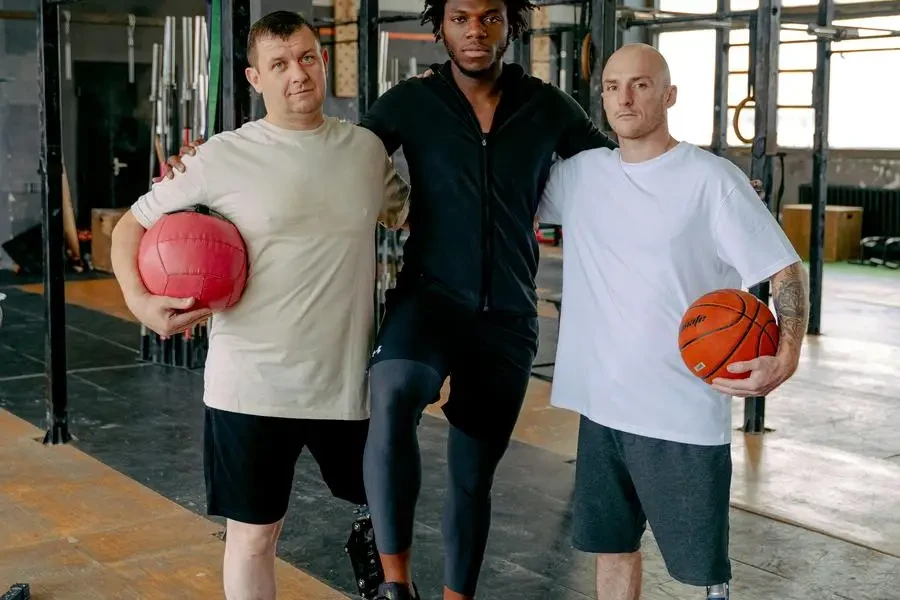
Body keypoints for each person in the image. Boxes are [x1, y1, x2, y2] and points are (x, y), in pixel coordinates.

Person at [164, 0, 618, 597]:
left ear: (511, 25)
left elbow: (619, 167)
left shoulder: (547, 106)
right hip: (427, 301)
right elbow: (329, 156)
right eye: (460, 18)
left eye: (489, 17)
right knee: (393, 388)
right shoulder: (411, 101)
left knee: (472, 478)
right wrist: (197, 171)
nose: (475, 31)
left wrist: (690, 170)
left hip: (506, 312)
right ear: (441, 28)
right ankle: (396, 586)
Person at [110, 11, 409, 600]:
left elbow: (411, 216)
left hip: (345, 386)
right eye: (279, 64)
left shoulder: (367, 152)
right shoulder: (219, 157)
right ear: (254, 77)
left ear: (321, 59)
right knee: (253, 538)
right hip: (249, 385)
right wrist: (141, 302)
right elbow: (129, 227)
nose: (297, 74)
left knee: (389, 523)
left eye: (306, 57)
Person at [536, 43, 809, 600]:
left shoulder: (712, 180)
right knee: (612, 551)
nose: (624, 97)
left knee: (703, 574)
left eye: (640, 84)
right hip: (601, 409)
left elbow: (784, 270)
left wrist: (787, 356)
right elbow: (500, 198)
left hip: (680, 413)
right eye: (612, 86)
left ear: (669, 95)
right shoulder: (579, 176)